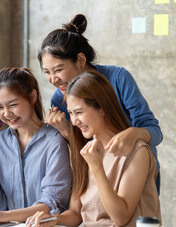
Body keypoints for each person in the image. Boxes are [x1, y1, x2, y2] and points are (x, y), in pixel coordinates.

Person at [39, 14, 162, 193]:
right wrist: (66, 132)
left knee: (142, 219)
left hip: (137, 170)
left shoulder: (119, 78)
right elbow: (80, 153)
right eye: (46, 72)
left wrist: (133, 134)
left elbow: (155, 133)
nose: (53, 79)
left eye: (58, 70)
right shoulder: (59, 99)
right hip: (100, 176)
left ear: (81, 60)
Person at [26, 71, 161, 227]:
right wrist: (53, 218)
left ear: (103, 107)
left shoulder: (137, 151)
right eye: (71, 113)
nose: (74, 121)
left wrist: (96, 166)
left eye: (79, 112)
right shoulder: (87, 150)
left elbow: (121, 217)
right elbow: (76, 214)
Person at [0, 67, 72, 226]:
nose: (7, 113)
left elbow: (52, 201)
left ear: (32, 96)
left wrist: (7, 215)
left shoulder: (54, 140)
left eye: (13, 105)